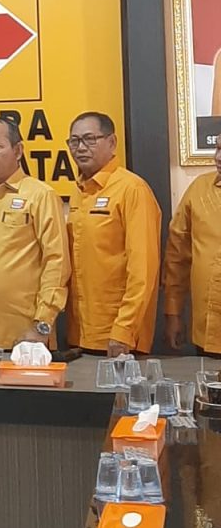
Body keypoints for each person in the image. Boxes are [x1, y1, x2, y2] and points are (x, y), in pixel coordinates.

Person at [0, 118, 69, 350]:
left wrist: (43, 324)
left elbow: (57, 262)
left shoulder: (40, 195)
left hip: (27, 337)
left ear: (18, 150)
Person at [66, 112, 161, 356]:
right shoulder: (79, 192)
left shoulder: (132, 189)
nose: (81, 148)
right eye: (74, 141)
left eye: (90, 139)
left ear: (112, 142)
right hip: (81, 334)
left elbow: (143, 269)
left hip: (118, 338)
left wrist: (124, 329)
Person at [163, 133, 221, 355]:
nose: (218, 157)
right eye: (217, 148)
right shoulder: (198, 190)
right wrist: (173, 313)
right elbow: (177, 258)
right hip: (208, 333)